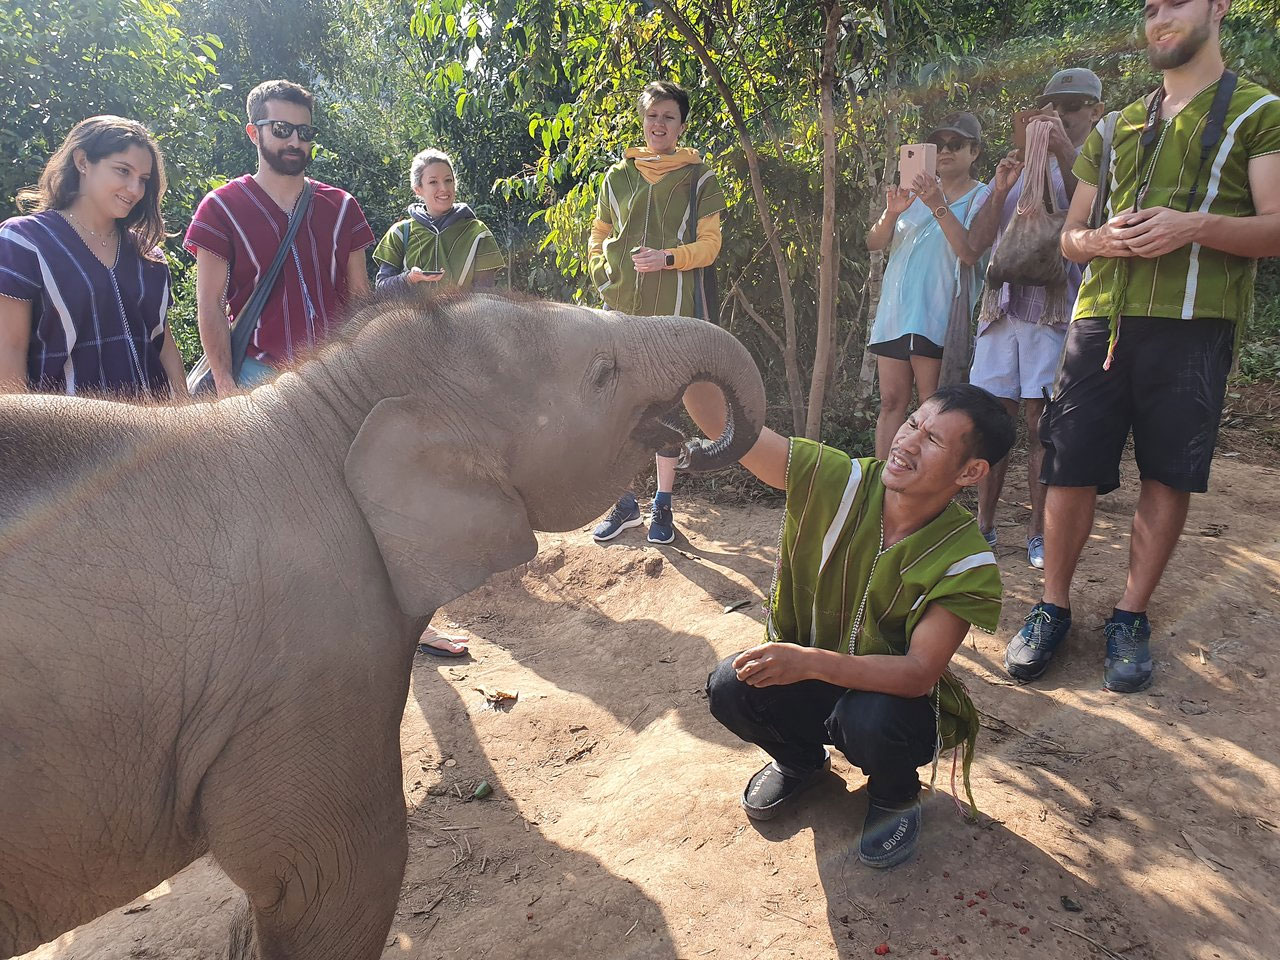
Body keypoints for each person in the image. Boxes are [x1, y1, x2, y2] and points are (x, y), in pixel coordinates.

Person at [1005, 0, 1280, 693]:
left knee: (1167, 473)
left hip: (1196, 325)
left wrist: (1193, 226)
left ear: (1218, 8)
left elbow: (1275, 229)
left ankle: (1130, 615)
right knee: (1066, 467)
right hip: (1101, 318)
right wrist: (1097, 241)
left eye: (1175, 2)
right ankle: (1053, 606)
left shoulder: (1259, 112)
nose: (1159, 16)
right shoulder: (1119, 123)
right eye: (1150, 7)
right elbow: (1070, 233)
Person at [684, 381, 1013, 868]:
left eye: (934, 440)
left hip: (894, 708)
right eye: (912, 423)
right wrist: (684, 369)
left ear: (971, 471)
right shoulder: (841, 480)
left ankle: (896, 793)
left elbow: (918, 673)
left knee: (871, 720)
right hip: (812, 676)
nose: (907, 441)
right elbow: (732, 432)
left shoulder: (967, 562)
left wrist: (809, 662)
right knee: (731, 686)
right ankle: (802, 762)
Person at [965, 69, 1106, 568]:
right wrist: (1004, 184)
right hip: (1001, 313)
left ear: (1096, 112)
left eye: (1072, 106)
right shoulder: (1017, 166)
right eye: (1052, 105)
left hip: (1054, 314)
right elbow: (978, 245)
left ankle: (1037, 531)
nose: (1059, 115)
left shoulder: (1097, 169)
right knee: (991, 423)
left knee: (1041, 425)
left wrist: (1062, 149)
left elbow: (1097, 223)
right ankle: (983, 525)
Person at [588, 80, 727, 546]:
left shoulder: (699, 177)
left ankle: (662, 505)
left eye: (668, 116)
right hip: (620, 311)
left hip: (672, 314)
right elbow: (599, 232)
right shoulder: (616, 177)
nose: (658, 124)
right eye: (652, 116)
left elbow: (711, 246)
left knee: (664, 409)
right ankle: (625, 503)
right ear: (643, 121)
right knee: (620, 410)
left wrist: (667, 258)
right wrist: (602, 275)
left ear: (681, 125)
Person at [184, 80, 374, 397]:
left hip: (337, 379)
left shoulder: (342, 207)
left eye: (305, 132)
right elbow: (211, 305)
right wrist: (225, 385)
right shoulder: (221, 208)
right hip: (258, 382)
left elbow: (360, 297)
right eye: (282, 129)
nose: (295, 141)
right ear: (253, 132)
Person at [0, 116, 187, 398]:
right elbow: (9, 349)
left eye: (144, 180)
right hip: (67, 433)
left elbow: (163, 344)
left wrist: (186, 417)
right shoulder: (23, 243)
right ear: (82, 161)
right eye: (123, 171)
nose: (135, 189)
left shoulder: (148, 255)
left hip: (151, 433)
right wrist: (17, 436)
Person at [866, 112, 991, 459]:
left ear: (975, 152)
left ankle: (929, 487)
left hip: (937, 315)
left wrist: (937, 203)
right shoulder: (911, 195)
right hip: (895, 313)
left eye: (956, 144)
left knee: (933, 407)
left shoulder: (982, 197)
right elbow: (874, 243)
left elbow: (968, 252)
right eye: (938, 145)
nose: (946, 151)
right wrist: (892, 213)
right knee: (890, 402)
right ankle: (882, 483)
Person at [373, 149, 504, 292]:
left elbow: (485, 295)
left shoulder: (478, 233)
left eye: (448, 180)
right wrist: (409, 278)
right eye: (433, 182)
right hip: (412, 315)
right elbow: (381, 289)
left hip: (462, 315)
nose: (443, 188)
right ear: (418, 189)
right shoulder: (400, 233)